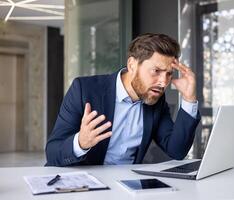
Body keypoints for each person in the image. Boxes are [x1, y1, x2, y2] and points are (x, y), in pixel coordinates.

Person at [45, 33, 201, 166]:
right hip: (82, 184)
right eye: (156, 71)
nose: (163, 82)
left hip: (126, 185)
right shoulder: (84, 89)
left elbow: (177, 150)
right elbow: (52, 153)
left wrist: (189, 99)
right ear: (132, 65)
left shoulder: (155, 99)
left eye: (169, 73)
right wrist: (80, 143)